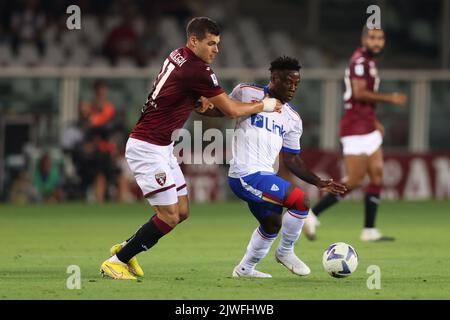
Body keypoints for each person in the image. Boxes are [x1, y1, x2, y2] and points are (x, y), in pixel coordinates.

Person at [100, 17, 282, 280]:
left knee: (182, 212)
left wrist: (196, 100)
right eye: (211, 43)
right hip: (147, 147)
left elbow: (187, 93)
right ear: (193, 41)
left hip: (162, 146)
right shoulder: (198, 69)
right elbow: (231, 110)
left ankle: (127, 248)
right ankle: (115, 262)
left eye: (218, 44)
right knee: (169, 216)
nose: (216, 49)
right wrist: (264, 105)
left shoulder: (178, 55)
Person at [199, 56, 346, 278]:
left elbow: (292, 159)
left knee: (272, 223)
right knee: (300, 201)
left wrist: (318, 182)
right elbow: (224, 110)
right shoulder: (247, 92)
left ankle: (245, 269)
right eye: (288, 82)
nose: (293, 88)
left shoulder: (293, 118)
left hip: (265, 175)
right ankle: (286, 252)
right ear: (274, 78)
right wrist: (203, 108)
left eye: (297, 83)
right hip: (245, 174)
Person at [304, 26, 407, 242]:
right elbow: (359, 93)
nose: (377, 42)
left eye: (380, 38)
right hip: (355, 128)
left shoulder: (368, 62)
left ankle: (369, 230)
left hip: (367, 125)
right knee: (354, 180)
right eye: (373, 38)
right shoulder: (359, 62)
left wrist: (375, 120)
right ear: (363, 39)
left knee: (377, 173)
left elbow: (363, 102)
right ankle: (312, 215)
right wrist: (391, 98)